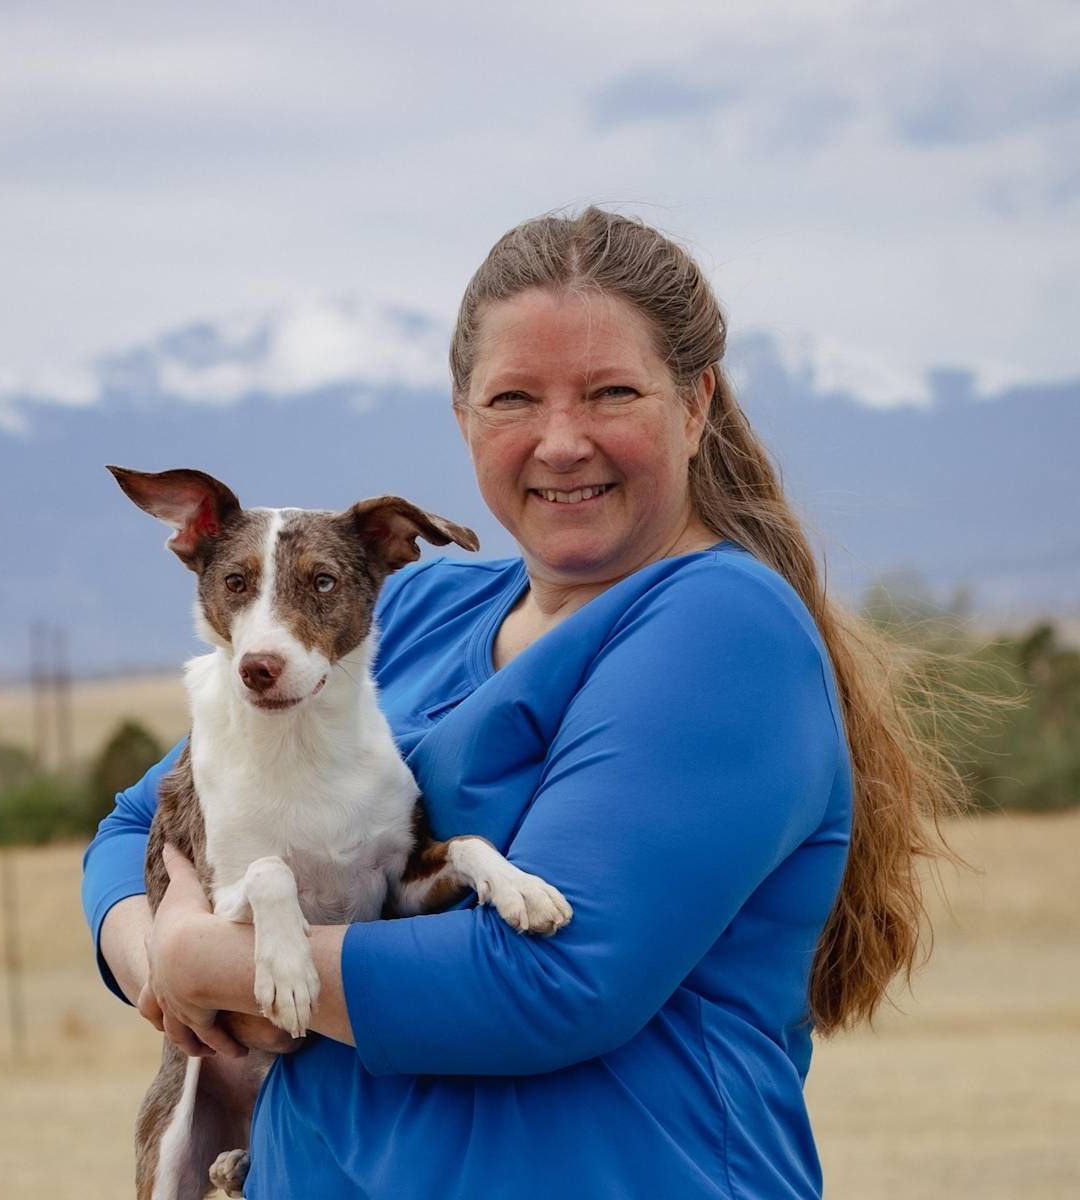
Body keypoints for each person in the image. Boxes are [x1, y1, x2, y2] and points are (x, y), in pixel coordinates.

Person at [82, 207, 961, 1198]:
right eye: (514, 399)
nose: (560, 441)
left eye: (610, 393)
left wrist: (227, 967)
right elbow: (141, 825)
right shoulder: (399, 610)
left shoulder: (720, 629)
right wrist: (162, 953)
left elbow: (549, 984)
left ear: (696, 402)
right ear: (463, 418)